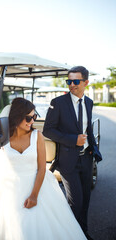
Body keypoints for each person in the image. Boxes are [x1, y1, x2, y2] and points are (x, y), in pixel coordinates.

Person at [0, 97, 87, 240]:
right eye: (28, 118)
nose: (32, 121)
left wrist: (34, 195)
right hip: (10, 188)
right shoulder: (1, 138)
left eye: (34, 116)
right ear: (16, 116)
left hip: (38, 185)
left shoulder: (37, 136)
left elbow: (41, 168)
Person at [43, 66, 102, 240]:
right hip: (68, 162)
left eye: (76, 81)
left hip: (86, 159)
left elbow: (88, 129)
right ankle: (71, 236)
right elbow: (48, 130)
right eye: (69, 81)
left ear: (86, 83)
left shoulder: (89, 103)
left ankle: (82, 234)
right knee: (75, 203)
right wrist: (72, 139)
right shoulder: (58, 103)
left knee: (85, 203)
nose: (72, 85)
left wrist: (94, 150)